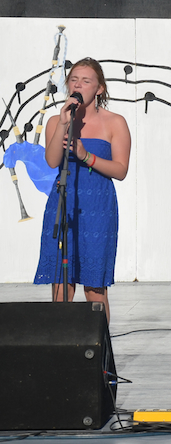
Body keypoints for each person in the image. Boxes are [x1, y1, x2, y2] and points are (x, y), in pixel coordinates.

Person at [34, 58, 131, 325]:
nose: (78, 84)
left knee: (94, 288)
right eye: (74, 79)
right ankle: (62, 354)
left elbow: (120, 170)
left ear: (99, 88)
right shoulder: (57, 120)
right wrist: (65, 123)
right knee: (62, 284)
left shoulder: (115, 122)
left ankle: (100, 358)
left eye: (86, 81)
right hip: (63, 204)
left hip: (97, 208)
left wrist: (86, 155)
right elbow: (52, 161)